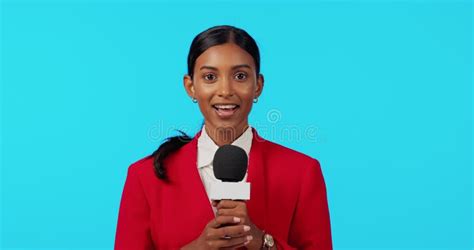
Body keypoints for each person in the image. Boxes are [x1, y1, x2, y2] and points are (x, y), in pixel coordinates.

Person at [114, 25, 332, 250]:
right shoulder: (145, 177)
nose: (225, 90)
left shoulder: (302, 172)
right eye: (210, 76)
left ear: (258, 85)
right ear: (191, 87)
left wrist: (263, 243)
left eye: (240, 76)